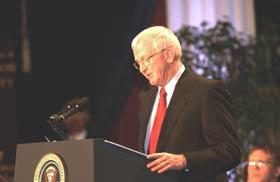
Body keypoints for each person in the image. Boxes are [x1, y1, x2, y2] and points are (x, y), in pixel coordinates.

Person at [131, 26, 241, 181]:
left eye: (145, 59)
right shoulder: (146, 99)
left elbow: (229, 151)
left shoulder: (206, 91)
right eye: (138, 63)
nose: (142, 69)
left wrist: (184, 160)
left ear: (168, 54)